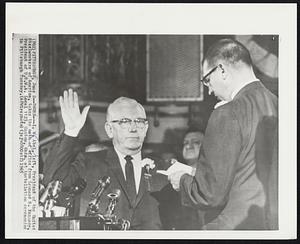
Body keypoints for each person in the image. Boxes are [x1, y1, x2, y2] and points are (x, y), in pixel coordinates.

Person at [168, 38, 278, 230]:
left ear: (222, 71)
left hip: (232, 228)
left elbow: (209, 194)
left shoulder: (227, 112)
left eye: (207, 80)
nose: (209, 90)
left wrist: (182, 180)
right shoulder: (280, 105)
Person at [43, 90, 167, 230]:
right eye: (124, 122)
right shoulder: (89, 162)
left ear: (145, 128)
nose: (133, 128)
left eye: (139, 122)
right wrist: (71, 131)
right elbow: (52, 180)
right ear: (109, 129)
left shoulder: (163, 168)